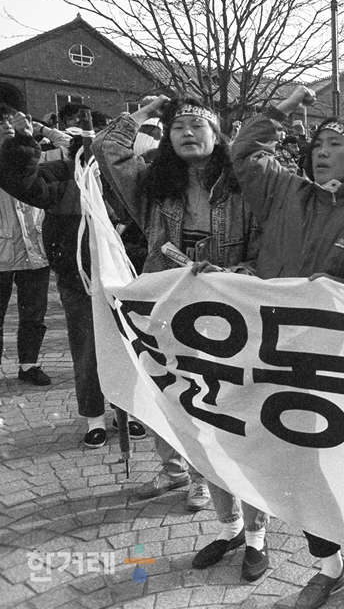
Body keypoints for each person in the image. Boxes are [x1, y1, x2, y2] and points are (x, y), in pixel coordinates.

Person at [230, 86, 344, 609]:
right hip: (282, 362)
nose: (321, 151)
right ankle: (327, 568)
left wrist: (341, 288)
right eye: (317, 143)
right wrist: (279, 110)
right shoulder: (286, 193)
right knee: (302, 469)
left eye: (335, 143)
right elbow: (244, 154)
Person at [93, 97, 262, 526]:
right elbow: (107, 148)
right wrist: (146, 111)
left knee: (214, 397)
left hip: (225, 307)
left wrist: (234, 273)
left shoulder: (243, 187)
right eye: (177, 127)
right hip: (167, 305)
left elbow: (263, 251)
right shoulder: (152, 187)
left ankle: (213, 477)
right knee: (168, 391)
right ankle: (180, 472)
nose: (187, 132)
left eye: (197, 125)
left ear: (217, 135)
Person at [0, 108, 147, 447]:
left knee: (129, 347)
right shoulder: (62, 174)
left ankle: (130, 412)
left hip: (126, 277)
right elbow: (24, 183)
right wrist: (22, 142)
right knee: (86, 349)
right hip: (77, 278)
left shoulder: (127, 174)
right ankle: (93, 417)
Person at [0, 106, 51, 387]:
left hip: (34, 245)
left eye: (10, 121)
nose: (7, 126)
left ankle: (29, 364)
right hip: (2, 250)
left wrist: (32, 136)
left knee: (34, 313)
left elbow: (71, 147)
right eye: (1, 123)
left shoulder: (32, 153)